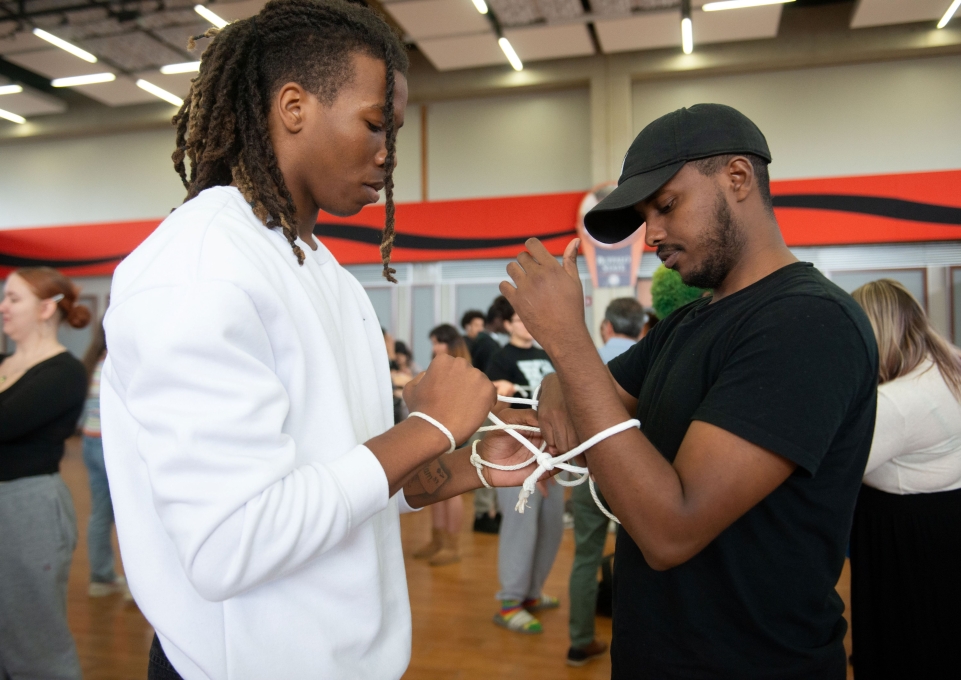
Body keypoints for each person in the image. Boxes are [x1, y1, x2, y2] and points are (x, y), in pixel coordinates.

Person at [99, 2, 547, 678]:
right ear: (292, 105)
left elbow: (337, 479)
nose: (387, 156)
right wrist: (426, 426)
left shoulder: (318, 267)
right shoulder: (195, 270)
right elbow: (232, 544)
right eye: (375, 125)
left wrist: (469, 464)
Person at [500, 103, 879, 678]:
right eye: (645, 215)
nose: (651, 234)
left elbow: (670, 529)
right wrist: (559, 374)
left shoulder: (806, 322)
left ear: (737, 177)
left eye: (667, 206)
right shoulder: (689, 323)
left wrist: (566, 340)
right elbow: (588, 395)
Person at [849, 279, 961, 680]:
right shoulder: (948, 362)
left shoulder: (897, 401)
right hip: (942, 519)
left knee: (905, 643)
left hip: (905, 533)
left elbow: (836, 470)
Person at [0, 266, 90, 680]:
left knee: (35, 644)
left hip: (27, 507)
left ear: (46, 308)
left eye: (14, 299)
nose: (3, 307)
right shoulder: (4, 362)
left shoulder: (63, 373)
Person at [567, 296, 645, 666]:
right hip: (639, 475)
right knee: (642, 558)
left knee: (586, 556)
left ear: (607, 326)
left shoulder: (585, 363)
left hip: (587, 471)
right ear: (640, 327)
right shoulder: (655, 358)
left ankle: (580, 640)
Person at [485, 300, 563, 634]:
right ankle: (509, 602)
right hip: (517, 452)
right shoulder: (500, 358)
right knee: (521, 527)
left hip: (553, 453)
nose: (526, 325)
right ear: (506, 323)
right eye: (519, 319)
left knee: (550, 526)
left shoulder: (545, 354)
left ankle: (531, 593)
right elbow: (492, 406)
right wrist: (499, 393)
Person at [410, 324, 470, 566]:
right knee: (433, 487)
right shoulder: (439, 366)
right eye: (433, 342)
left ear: (450, 344)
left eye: (438, 342)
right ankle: (437, 539)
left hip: (453, 433)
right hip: (434, 431)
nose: (435, 348)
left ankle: (452, 545)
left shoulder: (461, 369)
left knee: (450, 490)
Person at [80, 317, 132, 598]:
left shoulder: (92, 362)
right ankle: (136, 587)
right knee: (131, 515)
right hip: (112, 448)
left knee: (100, 513)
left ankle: (101, 577)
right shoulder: (119, 363)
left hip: (89, 443)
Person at [461, 309, 499, 373]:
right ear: (467, 326)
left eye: (482, 326)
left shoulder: (485, 343)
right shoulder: (462, 343)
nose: (480, 329)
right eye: (476, 325)